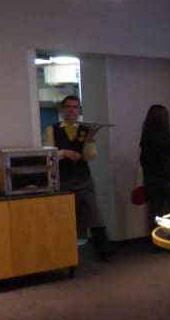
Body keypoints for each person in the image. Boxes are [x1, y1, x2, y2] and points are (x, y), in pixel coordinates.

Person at [43, 95, 116, 261]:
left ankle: (103, 249)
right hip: (62, 180)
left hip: (83, 178)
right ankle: (63, 253)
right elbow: (48, 155)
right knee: (64, 217)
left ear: (79, 111)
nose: (71, 110)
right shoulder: (51, 129)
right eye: (68, 107)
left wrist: (89, 139)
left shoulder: (85, 129)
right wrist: (64, 153)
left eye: (75, 107)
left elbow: (89, 156)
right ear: (62, 110)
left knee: (93, 212)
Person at [139, 104, 170, 221]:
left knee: (155, 213)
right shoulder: (168, 136)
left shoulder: (145, 136)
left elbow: (142, 159)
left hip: (150, 179)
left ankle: (155, 233)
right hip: (167, 178)